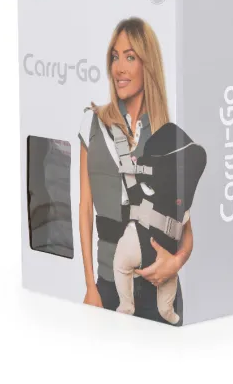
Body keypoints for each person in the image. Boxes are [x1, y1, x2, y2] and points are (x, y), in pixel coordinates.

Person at [78, 17, 194, 325]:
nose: (119, 67)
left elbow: (184, 224)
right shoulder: (93, 124)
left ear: (147, 64)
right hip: (109, 286)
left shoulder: (166, 134)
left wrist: (176, 262)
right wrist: (90, 286)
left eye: (130, 57)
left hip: (160, 290)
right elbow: (85, 208)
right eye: (115, 57)